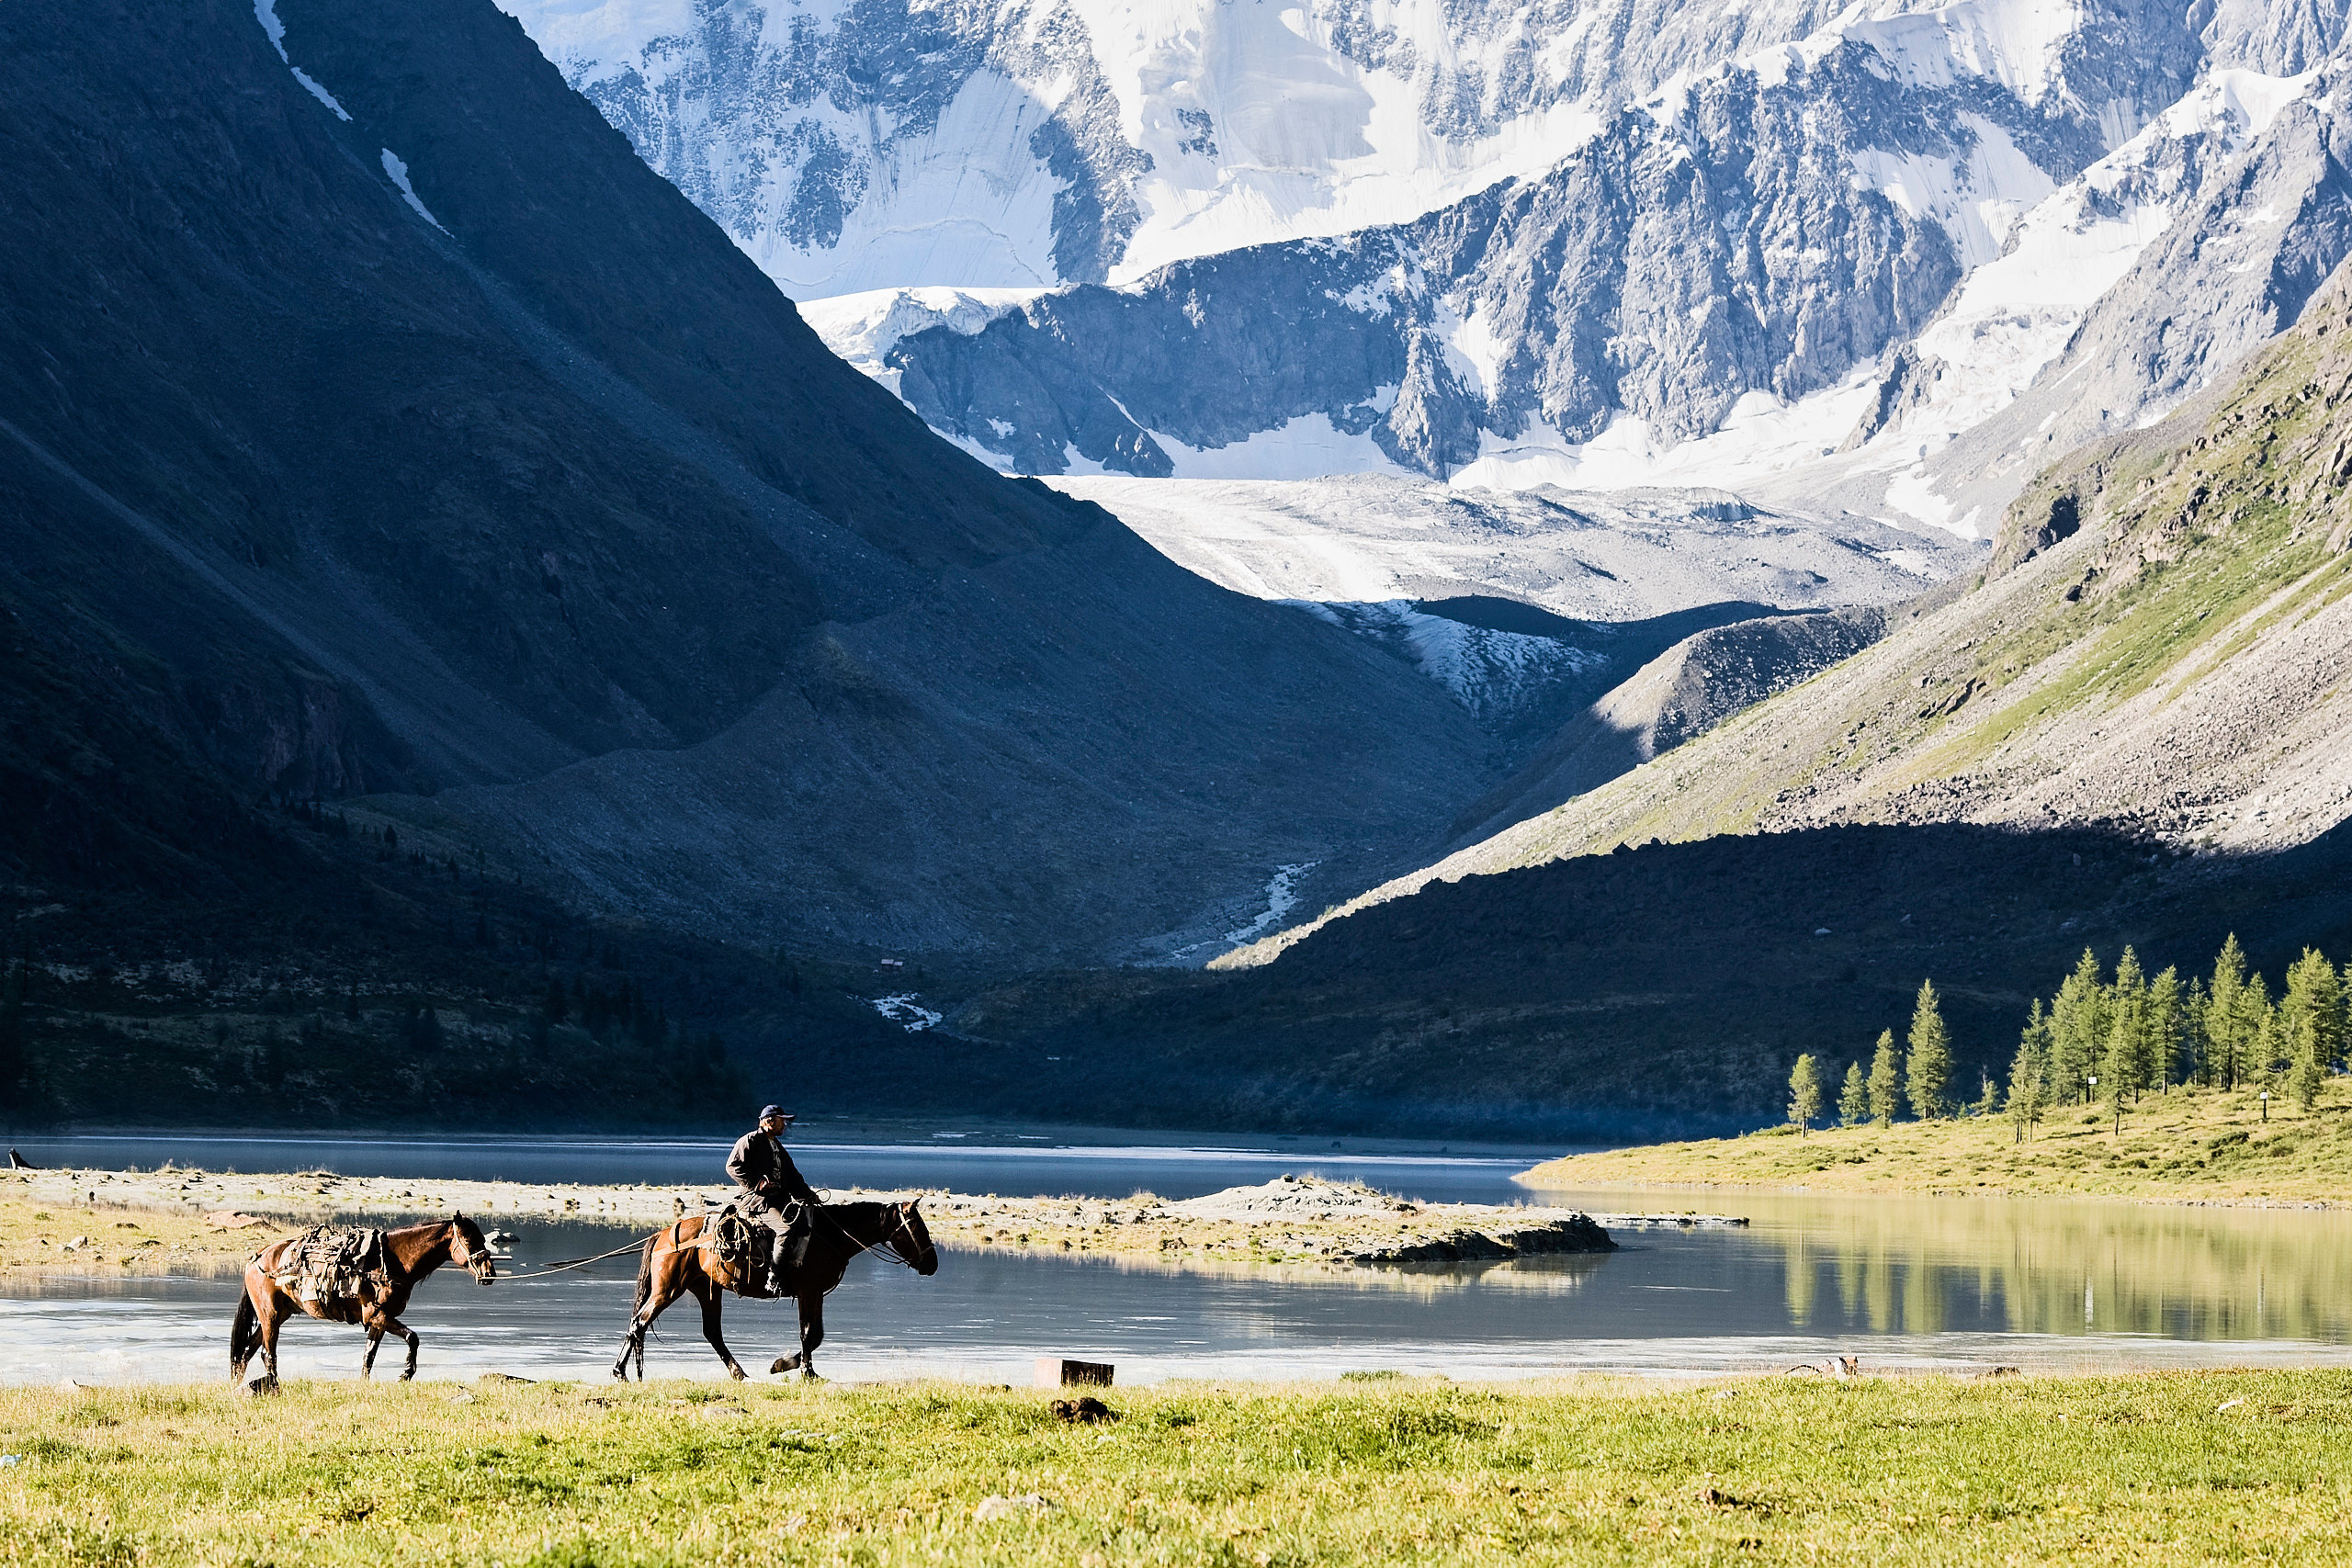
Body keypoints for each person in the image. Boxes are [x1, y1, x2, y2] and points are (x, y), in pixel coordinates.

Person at [725, 1106, 820, 1294]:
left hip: (779, 1200)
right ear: (769, 1121)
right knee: (785, 1230)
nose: (784, 1124)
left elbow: (793, 1177)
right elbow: (732, 1166)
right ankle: (774, 1277)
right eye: (781, 1120)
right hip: (758, 1202)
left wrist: (808, 1195)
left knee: (807, 1225)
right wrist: (757, 1183)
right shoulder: (749, 1141)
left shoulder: (777, 1146)